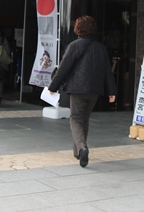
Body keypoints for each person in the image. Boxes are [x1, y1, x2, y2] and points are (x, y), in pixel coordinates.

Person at [48, 16, 116, 168]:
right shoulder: (101, 48)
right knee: (84, 119)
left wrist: (53, 87)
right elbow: (107, 71)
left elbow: (63, 68)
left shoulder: (74, 46)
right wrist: (112, 91)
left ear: (78, 29)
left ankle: (82, 147)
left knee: (75, 119)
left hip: (77, 89)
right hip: (95, 90)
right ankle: (78, 152)